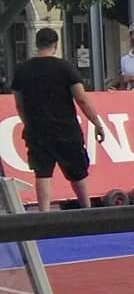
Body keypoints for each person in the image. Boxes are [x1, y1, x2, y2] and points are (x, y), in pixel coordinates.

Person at [11, 27, 106, 210]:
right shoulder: (65, 67)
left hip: (37, 130)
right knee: (77, 172)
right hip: (65, 129)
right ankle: (87, 210)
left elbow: (19, 104)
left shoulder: (22, 70)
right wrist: (97, 123)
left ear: (37, 43)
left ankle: (44, 214)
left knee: (42, 173)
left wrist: (28, 123)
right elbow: (81, 99)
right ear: (55, 44)